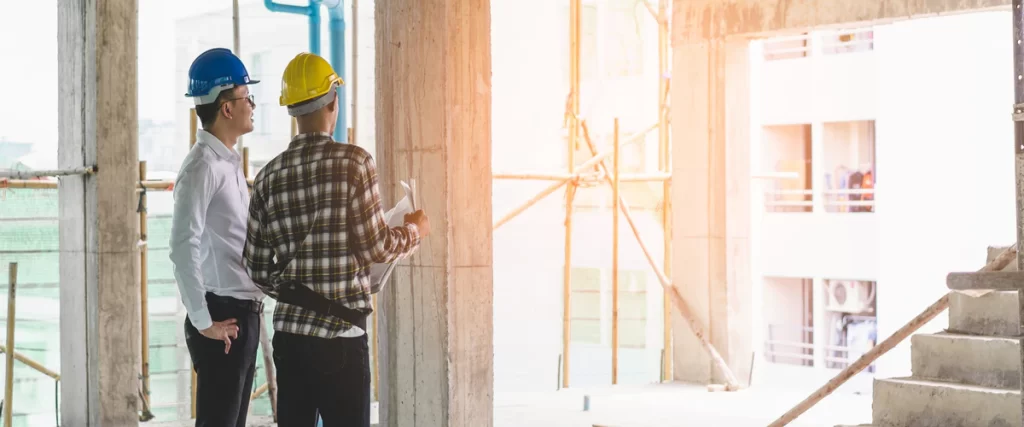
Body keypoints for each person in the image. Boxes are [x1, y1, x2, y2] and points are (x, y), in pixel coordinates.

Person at [244, 52, 429, 427]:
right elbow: (375, 246)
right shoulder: (355, 163)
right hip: (341, 339)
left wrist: (299, 290)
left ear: (292, 112)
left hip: (290, 338)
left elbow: (257, 269)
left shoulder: (267, 177)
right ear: (333, 104)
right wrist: (414, 231)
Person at [169, 47, 265, 427]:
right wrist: (203, 320)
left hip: (241, 313)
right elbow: (181, 245)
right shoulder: (201, 168)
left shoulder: (227, 161)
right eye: (247, 97)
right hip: (221, 316)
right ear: (227, 107)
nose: (252, 106)